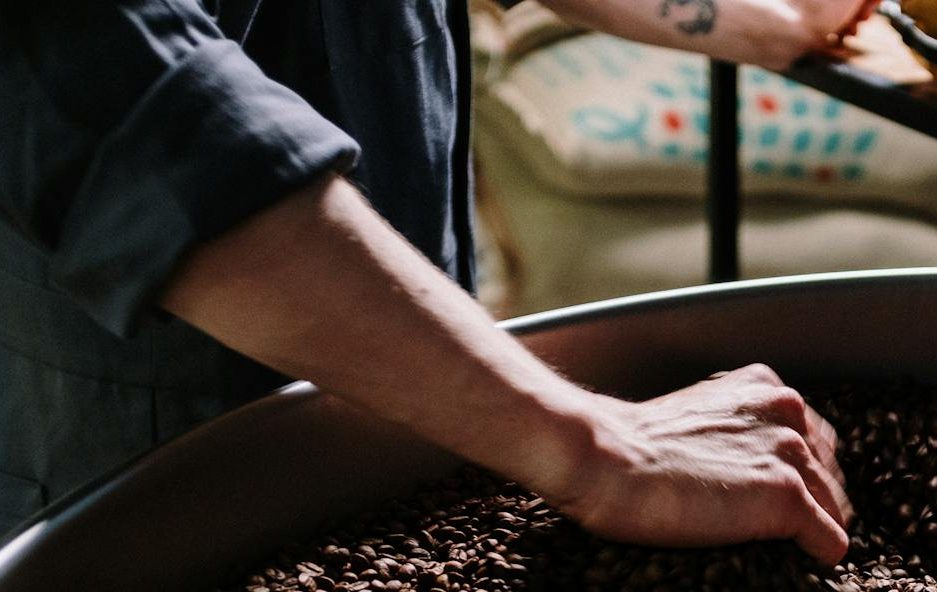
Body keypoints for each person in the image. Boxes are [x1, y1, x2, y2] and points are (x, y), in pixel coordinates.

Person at [0, 0, 860, 559]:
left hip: (424, 414)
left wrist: (721, 16)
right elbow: (138, 106)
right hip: (135, 477)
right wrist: (601, 450)